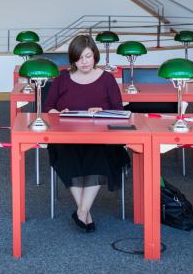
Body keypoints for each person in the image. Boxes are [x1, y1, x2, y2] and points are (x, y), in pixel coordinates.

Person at [43, 34, 129, 232]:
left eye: (88, 56)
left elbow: (119, 110)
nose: (83, 62)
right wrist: (58, 112)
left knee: (99, 155)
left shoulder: (107, 79)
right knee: (63, 153)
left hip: (101, 139)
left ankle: (82, 210)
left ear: (95, 56)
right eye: (79, 57)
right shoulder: (63, 78)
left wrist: (102, 112)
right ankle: (84, 211)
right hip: (67, 137)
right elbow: (48, 107)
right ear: (73, 59)